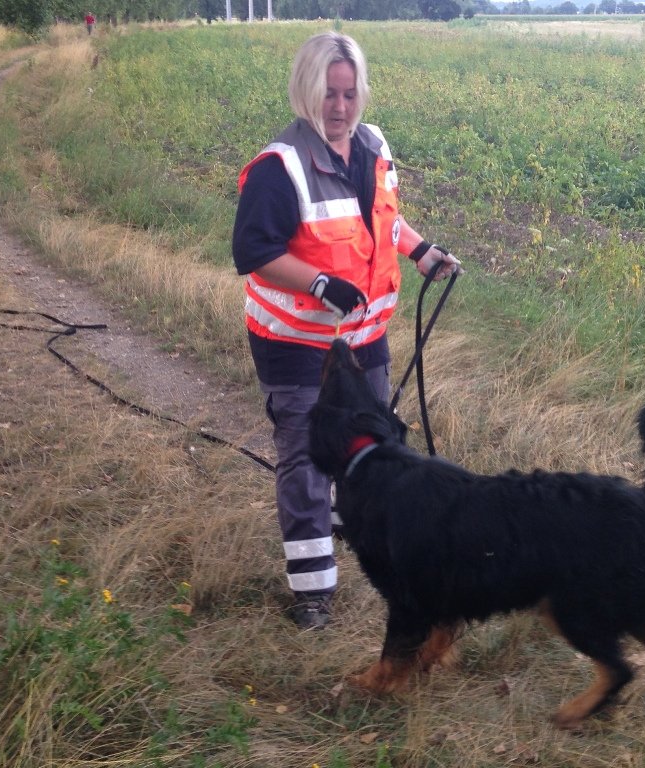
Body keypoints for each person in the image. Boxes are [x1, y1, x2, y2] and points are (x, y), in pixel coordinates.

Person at [232, 32, 461, 630]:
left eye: (349, 92)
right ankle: (313, 592)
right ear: (307, 92)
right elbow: (253, 251)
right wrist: (318, 284)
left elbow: (384, 220)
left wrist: (420, 251)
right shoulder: (278, 167)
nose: (339, 105)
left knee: (369, 449)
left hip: (364, 335)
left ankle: (370, 547)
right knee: (308, 461)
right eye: (328, 93)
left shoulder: (374, 146)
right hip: (296, 344)